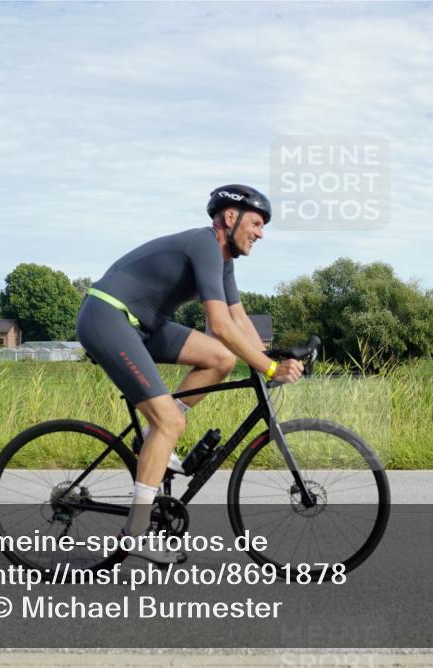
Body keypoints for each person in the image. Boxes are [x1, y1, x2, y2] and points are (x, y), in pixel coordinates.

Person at [75, 185, 304, 563]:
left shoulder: (223, 260)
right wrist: (271, 368)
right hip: (107, 316)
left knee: (219, 360)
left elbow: (238, 319)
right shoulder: (203, 245)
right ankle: (135, 531)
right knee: (171, 421)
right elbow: (220, 325)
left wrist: (269, 356)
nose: (261, 233)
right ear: (230, 218)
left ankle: (154, 439)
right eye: (257, 223)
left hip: (143, 325)